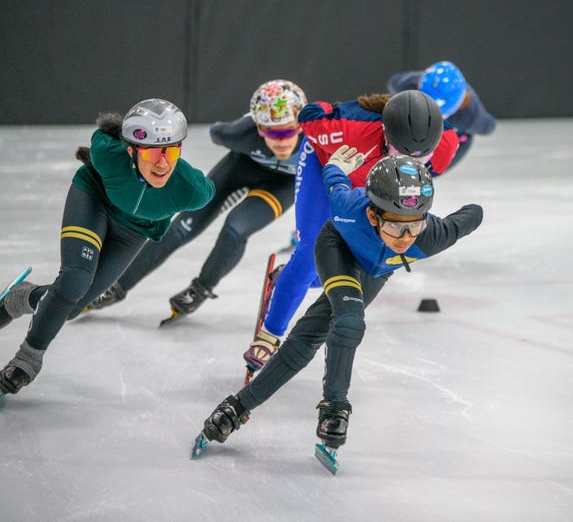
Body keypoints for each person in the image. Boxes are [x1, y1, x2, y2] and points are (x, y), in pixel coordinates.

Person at [198, 149, 483, 453]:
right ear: (372, 215)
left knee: (314, 330)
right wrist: (335, 166)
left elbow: (474, 213)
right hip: (339, 249)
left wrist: (431, 216)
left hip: (378, 270)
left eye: (415, 225)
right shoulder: (349, 209)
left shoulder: (432, 234)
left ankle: (242, 404)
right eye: (397, 226)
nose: (406, 236)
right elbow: (336, 185)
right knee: (348, 320)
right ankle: (334, 406)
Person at [0, 99, 215, 397]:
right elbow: (102, 138)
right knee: (75, 279)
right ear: (131, 150)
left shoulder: (191, 190)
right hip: (94, 202)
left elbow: (210, 190)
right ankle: (27, 360)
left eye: (172, 150)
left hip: (134, 232)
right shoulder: (108, 154)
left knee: (70, 307)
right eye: (152, 152)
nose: (163, 163)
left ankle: (20, 298)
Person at [242, 90, 460, 376]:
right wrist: (338, 108)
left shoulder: (446, 144)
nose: (409, 163)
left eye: (422, 159)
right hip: (327, 166)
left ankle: (284, 280)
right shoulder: (348, 128)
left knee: (354, 269)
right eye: (398, 153)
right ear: (384, 134)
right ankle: (270, 334)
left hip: (376, 184)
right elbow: (309, 115)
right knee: (310, 252)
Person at [85, 80, 308, 320]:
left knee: (236, 228)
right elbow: (216, 132)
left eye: (287, 130)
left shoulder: (316, 138)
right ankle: (116, 287)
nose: (282, 141)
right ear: (258, 128)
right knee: (181, 227)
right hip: (241, 167)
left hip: (281, 186)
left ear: (302, 125)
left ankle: (201, 289)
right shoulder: (237, 134)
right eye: (270, 132)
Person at [387, 60, 496, 168]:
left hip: (459, 136)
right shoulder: (407, 84)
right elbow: (393, 82)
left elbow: (489, 127)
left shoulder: (470, 117)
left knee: (427, 169)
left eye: (441, 113)